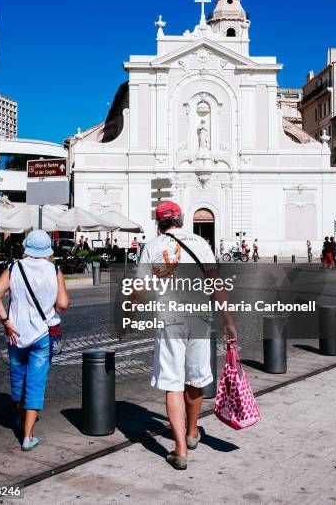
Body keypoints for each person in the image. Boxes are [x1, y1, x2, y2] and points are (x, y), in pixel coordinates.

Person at [125, 201, 237, 470]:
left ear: (159, 222)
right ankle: (192, 431)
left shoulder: (152, 246)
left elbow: (139, 288)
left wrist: (128, 315)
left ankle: (180, 449)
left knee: (173, 382)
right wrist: (228, 320)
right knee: (196, 377)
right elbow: (215, 282)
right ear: (182, 219)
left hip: (170, 319)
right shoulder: (201, 243)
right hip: (199, 317)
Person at [0, 229, 70, 452]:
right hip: (43, 334)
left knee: (18, 378)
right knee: (35, 383)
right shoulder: (54, 270)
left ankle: (20, 418)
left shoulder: (14, 268)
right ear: (47, 250)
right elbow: (62, 304)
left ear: (26, 248)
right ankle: (28, 436)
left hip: (16, 334)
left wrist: (6, 321)